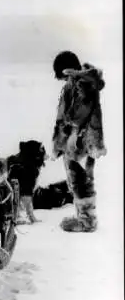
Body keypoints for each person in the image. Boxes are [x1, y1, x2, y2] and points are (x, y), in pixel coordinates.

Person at [51, 50, 107, 232]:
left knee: (80, 179)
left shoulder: (81, 83)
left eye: (60, 74)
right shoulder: (79, 82)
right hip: (80, 140)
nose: (59, 79)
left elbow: (81, 111)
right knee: (80, 179)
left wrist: (73, 134)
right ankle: (85, 217)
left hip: (80, 142)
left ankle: (87, 221)